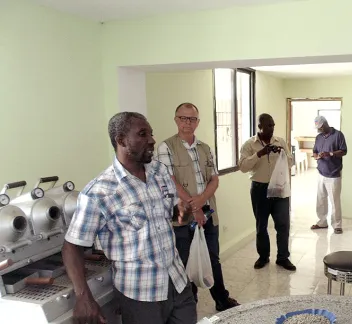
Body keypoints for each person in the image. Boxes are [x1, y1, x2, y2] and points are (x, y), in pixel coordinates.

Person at [62, 112, 197, 324]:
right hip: (141, 295)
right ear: (121, 140)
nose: (152, 140)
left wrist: (181, 211)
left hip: (178, 283)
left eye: (151, 133)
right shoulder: (99, 192)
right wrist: (83, 296)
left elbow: (164, 215)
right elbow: (72, 246)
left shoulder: (160, 172)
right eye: (143, 134)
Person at [156, 102, 239, 312]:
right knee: (185, 261)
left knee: (213, 258)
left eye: (192, 119)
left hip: (208, 212)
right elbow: (170, 182)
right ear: (176, 120)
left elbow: (214, 179)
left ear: (198, 122)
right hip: (182, 216)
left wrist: (202, 201)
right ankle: (188, 304)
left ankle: (221, 299)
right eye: (183, 118)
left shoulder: (205, 148)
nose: (187, 123)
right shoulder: (166, 147)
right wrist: (195, 208)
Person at [239, 113, 296, 271]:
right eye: (268, 125)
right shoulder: (249, 145)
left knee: (283, 225)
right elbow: (243, 167)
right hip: (259, 189)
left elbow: (291, 162)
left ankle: (283, 258)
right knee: (261, 226)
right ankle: (263, 257)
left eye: (273, 125)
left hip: (279, 188)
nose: (271, 128)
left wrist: (283, 154)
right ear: (259, 127)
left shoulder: (280, 142)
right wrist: (259, 154)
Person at [310, 116, 347, 234]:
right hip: (321, 172)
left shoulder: (338, 135)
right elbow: (314, 152)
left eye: (320, 128)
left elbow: (344, 151)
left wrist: (330, 153)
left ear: (325, 124)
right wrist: (317, 156)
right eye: (318, 128)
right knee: (320, 199)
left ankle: (337, 225)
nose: (319, 130)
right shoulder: (318, 137)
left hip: (333, 173)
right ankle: (322, 222)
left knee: (334, 201)